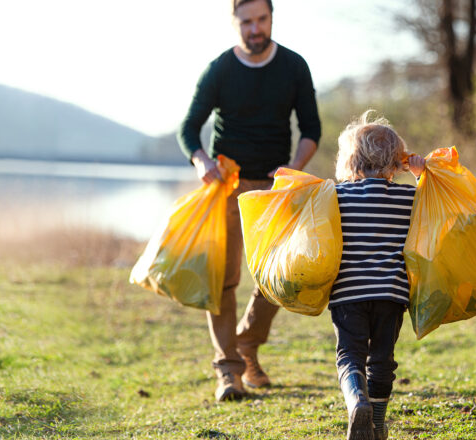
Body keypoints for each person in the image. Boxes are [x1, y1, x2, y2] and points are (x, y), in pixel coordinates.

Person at [177, 0, 321, 402]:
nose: (255, 29)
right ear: (235, 23)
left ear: (272, 18)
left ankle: (246, 343)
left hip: (276, 190)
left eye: (261, 20)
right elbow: (188, 128)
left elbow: (311, 128)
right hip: (227, 185)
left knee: (280, 277)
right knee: (223, 280)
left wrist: (293, 167)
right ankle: (229, 372)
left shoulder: (294, 66)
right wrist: (201, 159)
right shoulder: (220, 68)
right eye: (247, 22)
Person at [330, 110, 424, 440]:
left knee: (350, 355)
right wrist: (419, 174)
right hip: (391, 293)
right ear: (396, 161)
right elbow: (435, 211)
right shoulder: (410, 197)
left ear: (351, 160)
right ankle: (378, 424)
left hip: (348, 294)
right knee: (382, 359)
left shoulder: (336, 198)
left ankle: (357, 403)